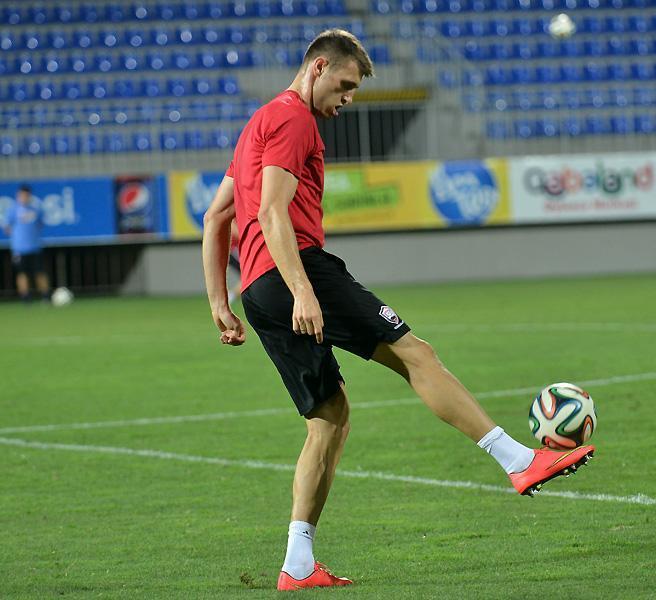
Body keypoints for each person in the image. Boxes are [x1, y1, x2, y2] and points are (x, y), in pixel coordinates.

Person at [202, 29, 595, 592]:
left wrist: (220, 300)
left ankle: (297, 562)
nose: (347, 99)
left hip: (259, 291)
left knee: (329, 417)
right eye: (344, 85)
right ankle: (517, 460)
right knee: (416, 355)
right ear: (317, 68)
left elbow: (218, 216)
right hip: (297, 272)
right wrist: (304, 290)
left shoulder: (258, 123)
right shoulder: (293, 119)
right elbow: (270, 212)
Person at [3, 184, 50, 302]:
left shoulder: (36, 210)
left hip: (35, 246)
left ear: (29, 196)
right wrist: (17, 237)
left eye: (26, 195)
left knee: (39, 272)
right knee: (22, 273)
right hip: (19, 248)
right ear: (18, 195)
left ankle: (45, 296)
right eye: (21, 195)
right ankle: (26, 298)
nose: (23, 197)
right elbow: (7, 227)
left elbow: (41, 224)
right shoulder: (13, 210)